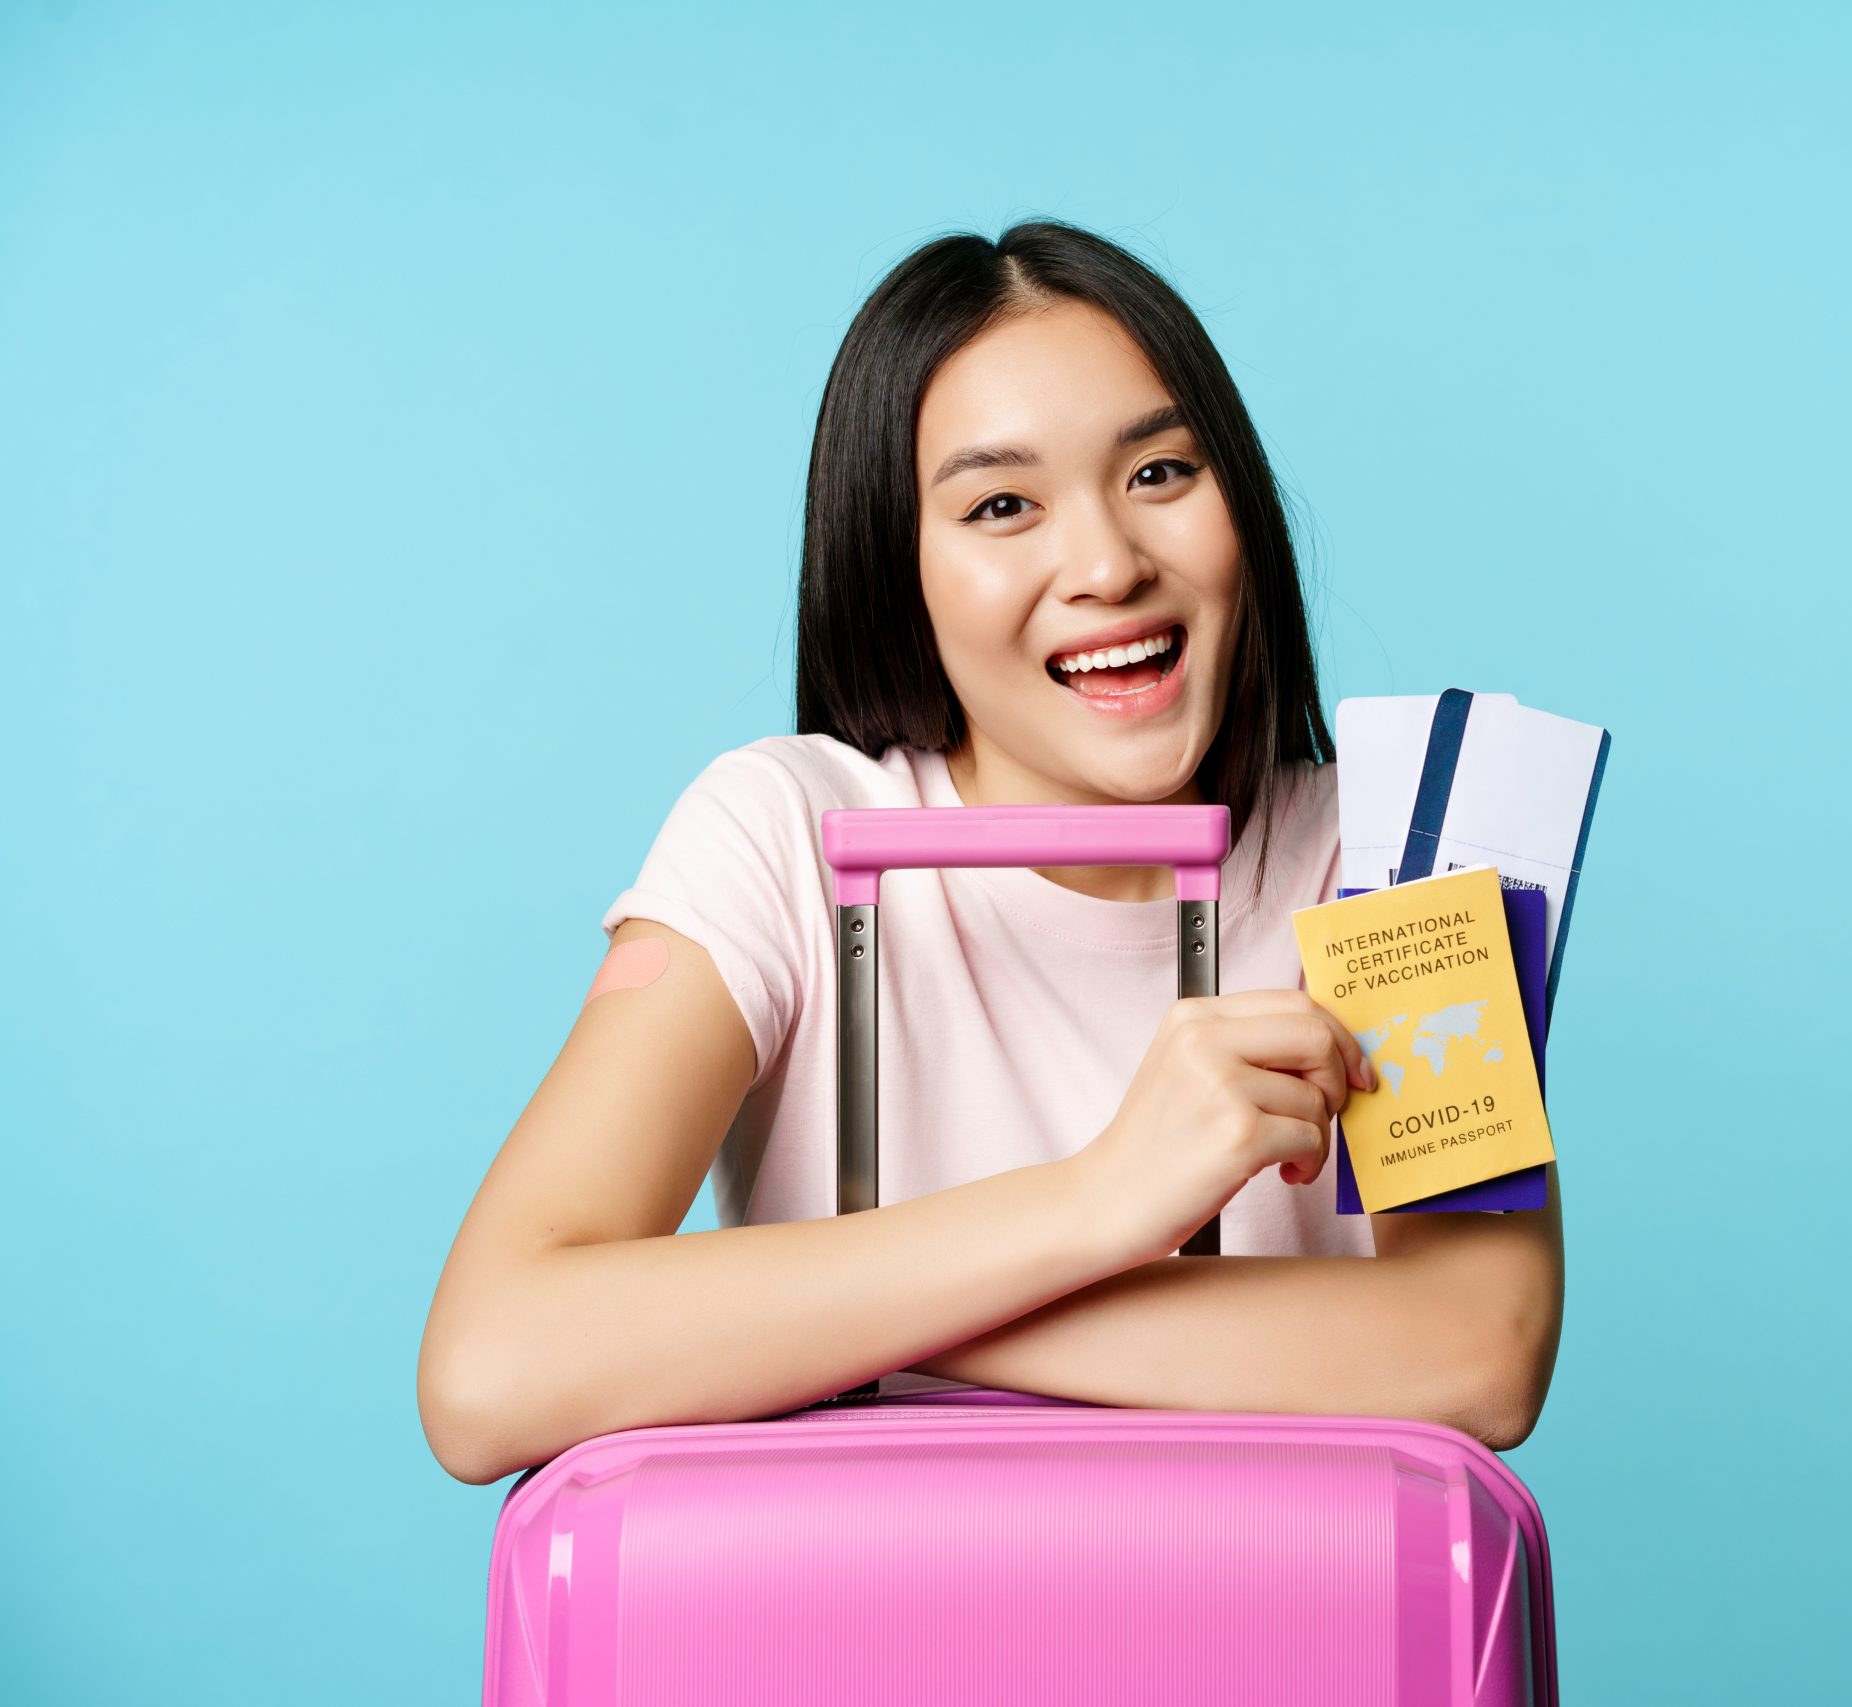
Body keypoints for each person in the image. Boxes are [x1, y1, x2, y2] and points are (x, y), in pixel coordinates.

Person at [417, 220, 1565, 1486]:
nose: (1107, 565)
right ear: (894, 569)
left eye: (1162, 472)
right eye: (1001, 505)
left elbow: (1478, 1349)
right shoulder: (785, 835)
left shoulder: (1398, 856)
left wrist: (850, 1334)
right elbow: (493, 1366)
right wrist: (1099, 1202)